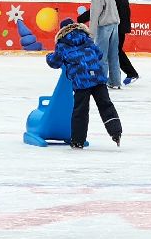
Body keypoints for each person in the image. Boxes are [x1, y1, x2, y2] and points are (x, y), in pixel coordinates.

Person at [46, 16, 123, 148]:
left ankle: (77, 141)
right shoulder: (87, 39)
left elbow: (55, 62)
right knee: (105, 105)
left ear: (62, 31)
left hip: (81, 81)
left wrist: (48, 56)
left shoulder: (62, 44)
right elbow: (99, 54)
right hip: (98, 78)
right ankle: (116, 132)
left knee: (80, 110)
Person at [85, 0, 122, 88]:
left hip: (104, 27)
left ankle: (100, 81)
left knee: (101, 56)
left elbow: (94, 16)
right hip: (114, 25)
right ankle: (115, 81)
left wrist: (91, 35)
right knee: (113, 55)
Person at [104, 0, 140, 85]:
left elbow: (106, 10)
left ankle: (129, 73)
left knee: (115, 51)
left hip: (117, 27)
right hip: (119, 27)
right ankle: (121, 75)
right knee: (115, 51)